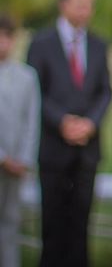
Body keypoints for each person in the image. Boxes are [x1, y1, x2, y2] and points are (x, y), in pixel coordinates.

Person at [27, 0, 112, 267]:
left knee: (81, 223)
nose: (85, 9)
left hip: (87, 150)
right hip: (53, 148)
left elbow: (106, 91)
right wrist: (62, 122)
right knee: (52, 223)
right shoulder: (41, 44)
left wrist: (90, 123)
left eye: (89, 4)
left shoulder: (100, 46)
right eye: (79, 2)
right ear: (63, 4)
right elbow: (35, 90)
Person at [0, 14, 40, 267]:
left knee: (11, 220)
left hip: (17, 165)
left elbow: (31, 120)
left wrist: (24, 159)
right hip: (3, 160)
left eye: (7, 37)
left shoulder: (27, 76)